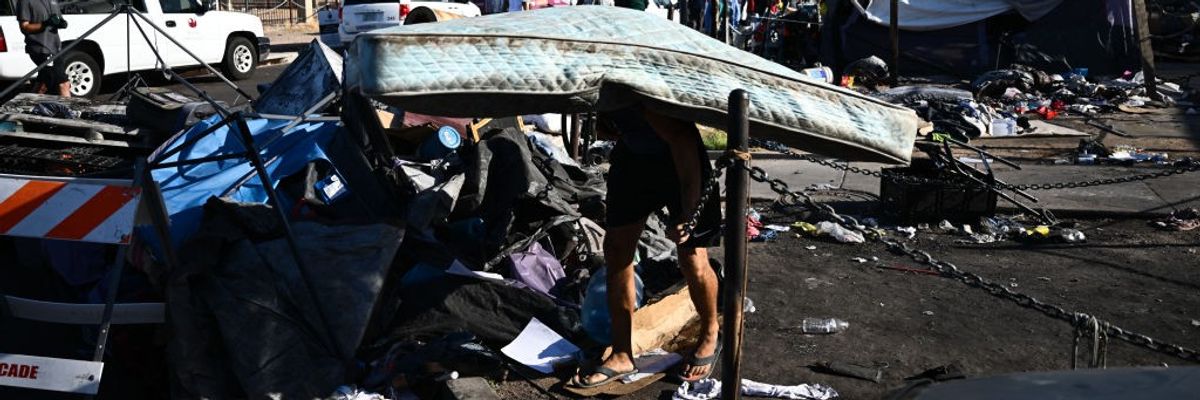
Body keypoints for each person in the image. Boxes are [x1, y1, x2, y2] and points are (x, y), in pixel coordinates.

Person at [569, 104, 723, 388]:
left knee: (692, 257)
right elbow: (608, 128)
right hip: (633, 158)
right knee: (617, 251)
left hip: (680, 159)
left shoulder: (639, 93)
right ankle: (621, 353)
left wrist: (689, 213)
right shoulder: (597, 88)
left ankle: (711, 331)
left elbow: (682, 138)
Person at [15, 0, 70, 97]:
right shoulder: (25, 1)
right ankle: (68, 107)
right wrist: (44, 24)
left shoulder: (52, 1)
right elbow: (24, 27)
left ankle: (29, 104)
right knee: (64, 84)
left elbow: (58, 18)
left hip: (56, 48)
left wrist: (62, 23)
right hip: (40, 48)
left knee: (43, 84)